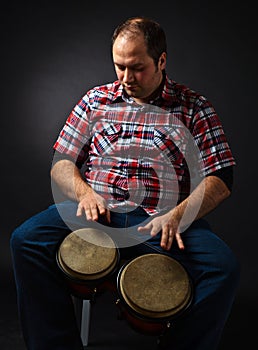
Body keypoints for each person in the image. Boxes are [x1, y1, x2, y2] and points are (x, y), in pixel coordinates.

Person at [10, 16, 240, 350]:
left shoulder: (194, 108)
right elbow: (61, 163)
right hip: (96, 212)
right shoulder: (95, 101)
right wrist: (84, 193)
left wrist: (177, 216)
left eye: (137, 68)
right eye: (120, 67)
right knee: (25, 240)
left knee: (224, 268)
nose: (126, 78)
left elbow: (222, 177)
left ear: (161, 60)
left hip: (161, 220)